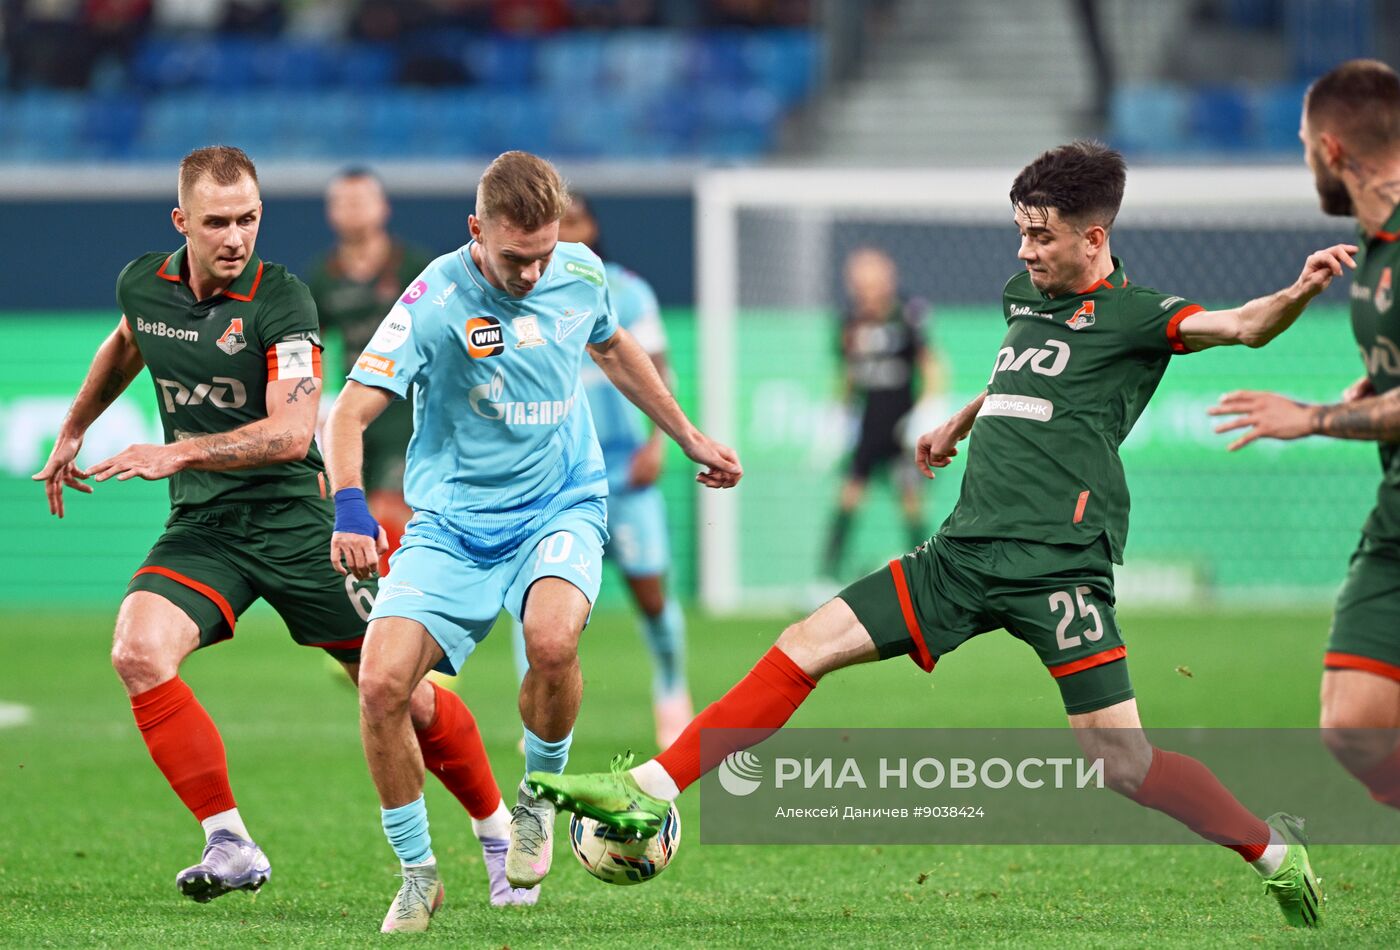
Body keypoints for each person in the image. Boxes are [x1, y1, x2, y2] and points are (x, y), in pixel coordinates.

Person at [529, 141, 1358, 929]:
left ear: (1094, 237)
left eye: (1043, 236)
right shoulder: (1025, 296)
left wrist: (1300, 289)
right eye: (1021, 232)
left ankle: (1274, 852)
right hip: (961, 555)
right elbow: (1023, 369)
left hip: (1060, 568)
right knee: (804, 645)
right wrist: (960, 419)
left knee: (1124, 766)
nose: (1027, 251)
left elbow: (1245, 325)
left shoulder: (1139, 317)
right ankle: (650, 786)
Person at [31, 145, 528, 911]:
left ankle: (497, 834)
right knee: (137, 650)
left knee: (405, 693)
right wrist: (73, 428)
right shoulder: (143, 282)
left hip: (298, 524)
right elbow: (129, 340)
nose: (236, 237)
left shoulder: (284, 299)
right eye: (218, 222)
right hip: (205, 526)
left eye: (249, 219)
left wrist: (177, 451)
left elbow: (294, 433)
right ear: (181, 223)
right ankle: (229, 841)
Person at [325, 151, 741, 933]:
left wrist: (687, 436)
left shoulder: (578, 271)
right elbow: (348, 412)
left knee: (552, 643)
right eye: (516, 258)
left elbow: (615, 347)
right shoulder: (434, 300)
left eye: (544, 253)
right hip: (450, 523)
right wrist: (350, 506)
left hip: (560, 502)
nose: (531, 272)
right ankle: (418, 873)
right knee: (381, 687)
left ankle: (536, 802)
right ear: (476, 230)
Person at [1209, 59, 1400, 814]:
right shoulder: (1373, 239)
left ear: (1329, 150)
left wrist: (1313, 417)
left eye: (1298, 146)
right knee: (1353, 725)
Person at [509, 192, 694, 749]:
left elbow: (659, 369)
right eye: (557, 223)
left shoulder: (628, 290)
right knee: (535, 601)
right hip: (551, 477)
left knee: (650, 594)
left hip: (622, 472)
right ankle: (536, 710)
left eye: (577, 220)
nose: (568, 230)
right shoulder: (520, 290)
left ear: (594, 227)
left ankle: (671, 688)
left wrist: (660, 443)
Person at [306, 168, 434, 577]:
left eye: (361, 200)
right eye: (343, 202)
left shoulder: (416, 266)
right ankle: (378, 610)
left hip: (407, 413)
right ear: (330, 213)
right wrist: (313, 405)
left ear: (383, 207)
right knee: (357, 511)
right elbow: (310, 347)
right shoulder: (323, 279)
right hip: (357, 413)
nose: (353, 210)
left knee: (390, 510)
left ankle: (399, 606)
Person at [821, 246, 942, 582]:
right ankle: (825, 579)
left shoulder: (908, 314)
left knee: (911, 501)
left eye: (871, 282)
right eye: (859, 284)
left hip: (902, 428)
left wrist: (925, 412)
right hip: (869, 428)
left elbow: (931, 365)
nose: (865, 291)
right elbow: (847, 373)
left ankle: (926, 577)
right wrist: (839, 413)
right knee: (848, 498)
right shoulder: (850, 322)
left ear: (887, 281)